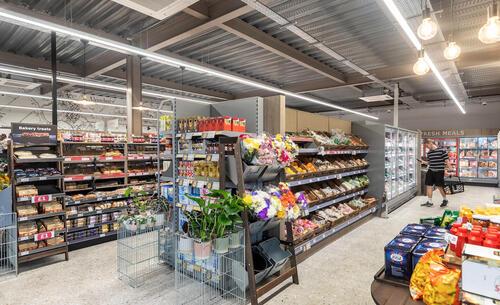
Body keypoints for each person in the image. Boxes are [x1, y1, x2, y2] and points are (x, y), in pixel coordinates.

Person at [421, 139, 451, 207]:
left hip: (439, 171)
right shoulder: (429, 153)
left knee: (439, 187)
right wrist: (423, 162)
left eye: (427, 145)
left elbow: (447, 161)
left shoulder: (442, 151)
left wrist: (450, 170)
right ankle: (430, 201)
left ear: (431, 143)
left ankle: (445, 199)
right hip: (430, 170)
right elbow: (429, 162)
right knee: (429, 186)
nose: (427, 147)